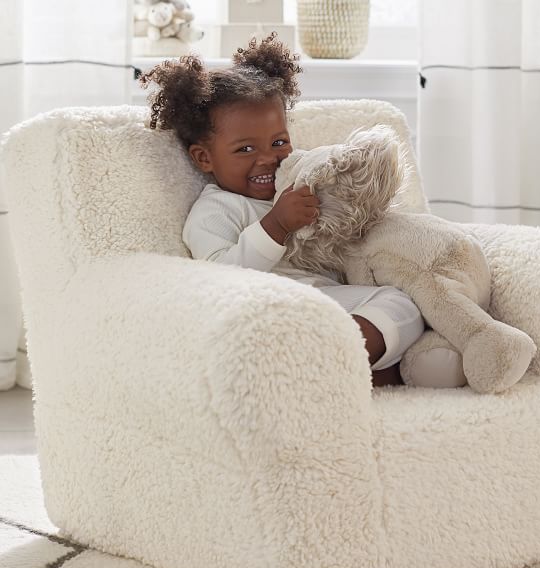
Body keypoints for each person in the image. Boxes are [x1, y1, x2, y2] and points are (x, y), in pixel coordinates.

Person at [140, 34, 425, 387]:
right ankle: (366, 369)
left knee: (400, 302)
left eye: (278, 142)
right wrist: (276, 224)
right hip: (271, 312)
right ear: (204, 157)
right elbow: (221, 278)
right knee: (284, 330)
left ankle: (349, 362)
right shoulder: (216, 210)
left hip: (327, 304)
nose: (267, 159)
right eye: (244, 149)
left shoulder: (299, 182)